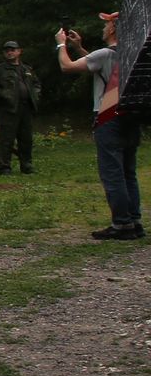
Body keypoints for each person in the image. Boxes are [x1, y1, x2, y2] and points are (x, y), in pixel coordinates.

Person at [59, 14, 144, 241]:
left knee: (112, 174)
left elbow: (66, 67)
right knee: (128, 173)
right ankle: (134, 221)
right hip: (130, 118)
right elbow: (97, 66)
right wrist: (79, 48)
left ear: (114, 29)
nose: (104, 27)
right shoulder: (132, 55)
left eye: (107, 24)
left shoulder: (105, 54)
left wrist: (61, 44)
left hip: (108, 119)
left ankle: (120, 224)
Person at [0, 39, 40, 176]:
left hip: (26, 107)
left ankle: (26, 164)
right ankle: (4, 167)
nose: (10, 52)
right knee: (6, 139)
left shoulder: (26, 69)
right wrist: (5, 95)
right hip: (9, 108)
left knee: (26, 138)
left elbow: (36, 84)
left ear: (19, 51)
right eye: (7, 50)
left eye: (12, 50)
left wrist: (36, 95)